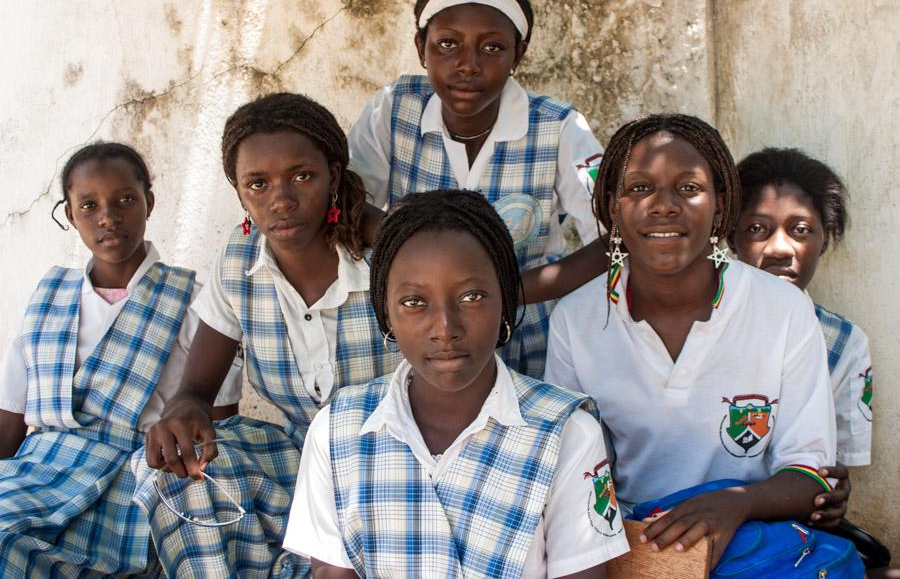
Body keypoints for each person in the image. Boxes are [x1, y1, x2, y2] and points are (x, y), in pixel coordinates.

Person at [285, 189, 629, 578]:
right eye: (414, 302)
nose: (445, 328)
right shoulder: (337, 430)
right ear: (386, 312)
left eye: (471, 296)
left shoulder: (565, 433)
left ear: (505, 298)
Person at [545, 115, 837, 567]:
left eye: (688, 188)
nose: (664, 206)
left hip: (752, 542)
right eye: (639, 189)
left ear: (721, 208)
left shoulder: (782, 310)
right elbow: (574, 478)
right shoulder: (576, 320)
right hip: (636, 545)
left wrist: (735, 504)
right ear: (611, 208)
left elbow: (811, 476)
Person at [138, 93, 402, 577]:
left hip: (398, 459)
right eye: (257, 184)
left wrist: (388, 230)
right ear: (240, 194)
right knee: (177, 475)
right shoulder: (239, 263)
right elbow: (196, 391)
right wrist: (182, 415)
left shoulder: (391, 257)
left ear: (334, 176)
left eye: (302, 176)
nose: (281, 199)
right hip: (300, 460)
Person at [348, 0, 608, 378]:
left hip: (529, 339)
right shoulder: (394, 109)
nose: (468, 64)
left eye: (491, 48)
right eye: (448, 43)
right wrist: (414, 243)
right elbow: (348, 204)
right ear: (421, 47)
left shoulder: (557, 128)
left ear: (517, 53)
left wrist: (509, 292)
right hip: (427, 342)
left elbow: (616, 239)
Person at [0, 142, 241, 576]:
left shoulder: (192, 302)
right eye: (89, 205)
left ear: (148, 202)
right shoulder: (48, 295)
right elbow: (10, 417)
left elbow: (218, 424)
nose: (108, 217)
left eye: (125, 200)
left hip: (133, 478)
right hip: (40, 471)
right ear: (70, 215)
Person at [732, 148, 872, 471]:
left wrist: (831, 491)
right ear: (730, 236)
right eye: (756, 228)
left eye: (801, 230)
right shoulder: (699, 322)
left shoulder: (844, 344)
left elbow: (831, 469)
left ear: (823, 241)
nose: (780, 249)